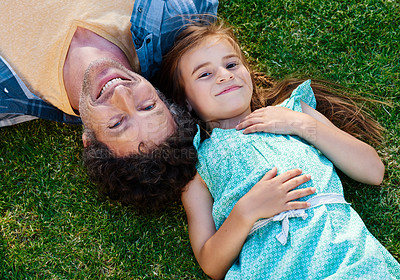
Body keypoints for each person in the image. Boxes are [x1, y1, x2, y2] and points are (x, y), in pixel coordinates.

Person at [157, 20, 400, 279]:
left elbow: (373, 171)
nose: (225, 75)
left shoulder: (293, 112)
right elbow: (211, 263)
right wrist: (247, 210)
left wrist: (300, 124)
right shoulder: (198, 165)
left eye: (231, 64)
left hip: (349, 259)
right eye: (205, 74)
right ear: (186, 100)